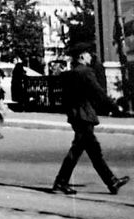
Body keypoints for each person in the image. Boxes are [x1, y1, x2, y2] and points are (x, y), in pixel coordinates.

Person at [52, 43, 129, 196]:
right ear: (81, 56)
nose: (90, 57)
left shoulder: (71, 73)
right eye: (87, 54)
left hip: (76, 116)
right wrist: (116, 108)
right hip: (84, 116)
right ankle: (61, 182)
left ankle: (111, 182)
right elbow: (98, 92)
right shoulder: (86, 72)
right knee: (82, 151)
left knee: (90, 151)